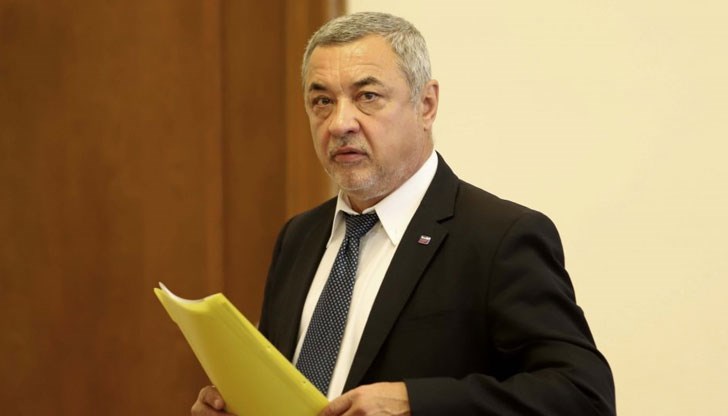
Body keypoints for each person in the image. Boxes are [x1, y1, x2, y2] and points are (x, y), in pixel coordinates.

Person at [192, 11, 615, 416]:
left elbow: (583, 396)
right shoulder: (299, 236)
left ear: (426, 105)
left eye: (367, 97)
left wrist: (416, 402)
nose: (340, 123)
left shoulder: (499, 238)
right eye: (322, 101)